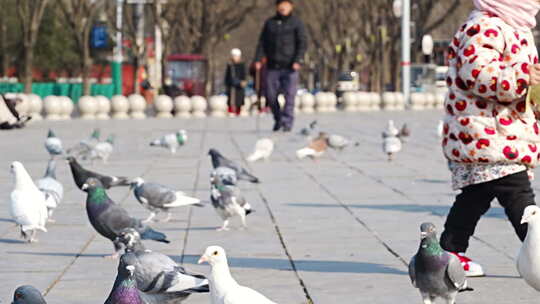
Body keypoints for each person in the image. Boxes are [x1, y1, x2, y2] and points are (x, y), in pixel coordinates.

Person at [440, 0, 540, 277]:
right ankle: (538, 257)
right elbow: (477, 73)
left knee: (477, 194)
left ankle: (449, 253)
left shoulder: (516, 27)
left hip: (504, 130)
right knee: (517, 194)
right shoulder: (484, 25)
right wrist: (522, 76)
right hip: (484, 131)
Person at [254, 0, 307, 132]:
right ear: (277, 7)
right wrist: (257, 59)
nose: (283, 7)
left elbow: (302, 43)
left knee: (290, 96)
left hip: (290, 66)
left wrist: (298, 60)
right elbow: (262, 43)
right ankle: (278, 118)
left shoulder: (297, 23)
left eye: (286, 4)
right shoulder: (270, 23)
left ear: (291, 6)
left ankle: (287, 122)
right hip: (272, 65)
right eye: (281, 4)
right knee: (270, 95)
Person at [225, 48, 247, 116]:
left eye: (236, 56)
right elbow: (227, 77)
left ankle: (238, 112)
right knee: (231, 100)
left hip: (239, 87)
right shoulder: (230, 66)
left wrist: (243, 82)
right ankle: (231, 112)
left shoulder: (242, 65)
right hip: (231, 86)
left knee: (239, 101)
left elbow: (244, 75)